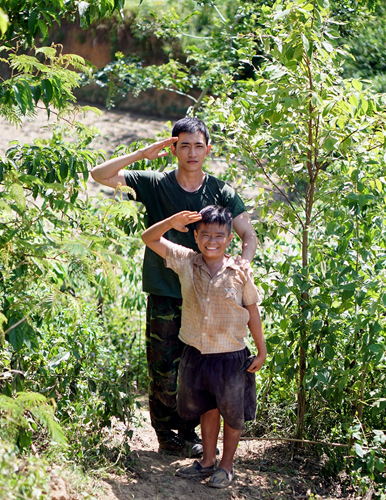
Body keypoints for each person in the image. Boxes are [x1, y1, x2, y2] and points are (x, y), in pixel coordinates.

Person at [90, 117, 258, 455]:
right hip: (166, 291)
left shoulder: (220, 191)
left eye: (198, 145)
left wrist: (244, 261)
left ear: (208, 149)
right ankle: (168, 437)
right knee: (164, 369)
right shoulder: (155, 183)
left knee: (199, 369)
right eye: (184, 145)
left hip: (208, 299)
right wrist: (142, 153)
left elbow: (248, 234)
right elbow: (99, 174)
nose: (192, 152)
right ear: (174, 148)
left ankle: (191, 436)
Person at [141, 205, 266, 488]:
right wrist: (172, 221)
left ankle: (227, 467)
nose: (212, 240)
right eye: (206, 234)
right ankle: (207, 461)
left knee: (232, 414)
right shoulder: (186, 261)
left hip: (231, 357)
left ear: (229, 239)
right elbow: (149, 238)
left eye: (219, 235)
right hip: (197, 354)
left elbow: (253, 312)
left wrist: (262, 350)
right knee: (208, 408)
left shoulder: (240, 271)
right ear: (195, 236)